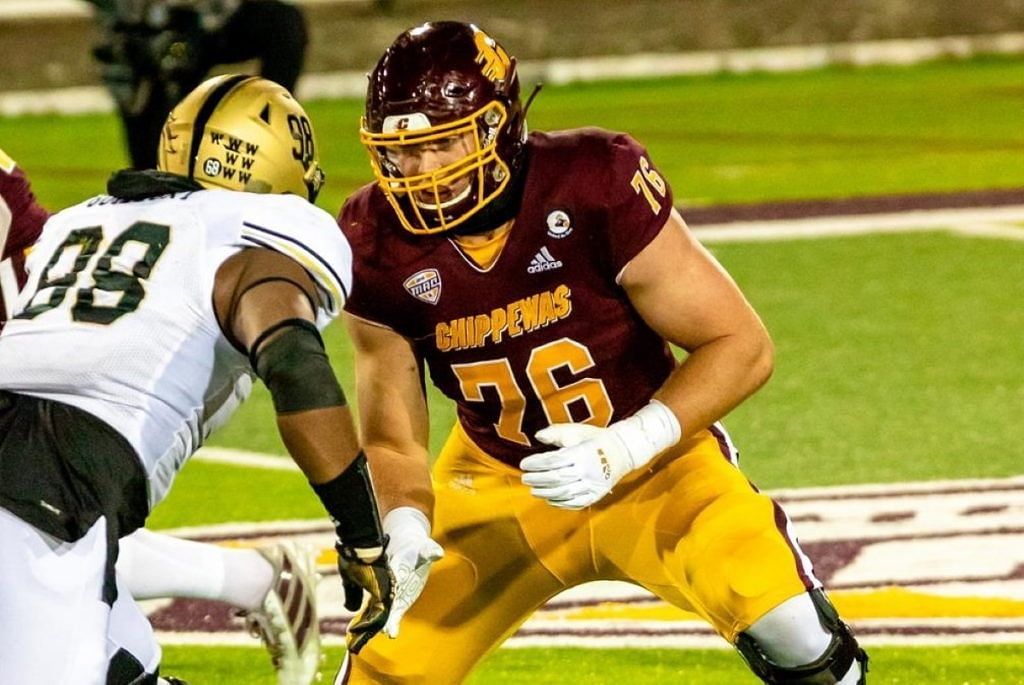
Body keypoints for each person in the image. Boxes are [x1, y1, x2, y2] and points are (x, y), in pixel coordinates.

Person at [335, 21, 868, 684]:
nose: (418, 171)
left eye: (442, 143)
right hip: (498, 480)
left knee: (797, 636)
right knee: (387, 665)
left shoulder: (592, 180)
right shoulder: (370, 239)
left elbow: (741, 344)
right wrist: (407, 524)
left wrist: (625, 445)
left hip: (656, 469)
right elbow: (391, 435)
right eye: (401, 151)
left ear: (497, 126)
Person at [0, 75, 393, 685]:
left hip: (46, 474)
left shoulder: (73, 226)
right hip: (62, 473)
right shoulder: (262, 231)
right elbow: (293, 362)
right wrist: (364, 536)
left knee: (124, 669)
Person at [88, 0, 308, 169]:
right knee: (155, 171)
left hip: (206, 26)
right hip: (141, 45)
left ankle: (269, 135)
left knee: (284, 23)